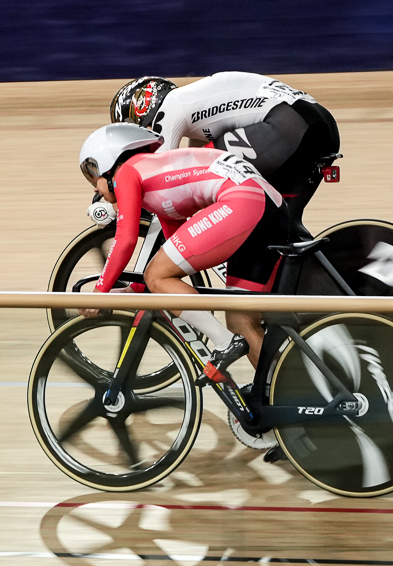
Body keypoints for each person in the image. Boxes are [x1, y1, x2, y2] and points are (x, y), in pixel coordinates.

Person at [78, 122, 293, 383]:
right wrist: (134, 289)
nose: (93, 187)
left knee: (157, 275)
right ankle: (282, 395)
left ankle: (225, 342)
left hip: (244, 200)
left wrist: (99, 294)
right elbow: (175, 256)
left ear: (108, 161)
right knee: (241, 320)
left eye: (91, 173)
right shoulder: (157, 178)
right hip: (271, 206)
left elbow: (125, 240)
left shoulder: (126, 173)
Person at [110, 73, 340, 224]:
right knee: (282, 224)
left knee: (223, 195)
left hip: (289, 126)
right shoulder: (198, 112)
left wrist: (119, 198)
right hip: (321, 126)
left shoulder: (171, 106)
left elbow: (160, 177)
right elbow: (190, 177)